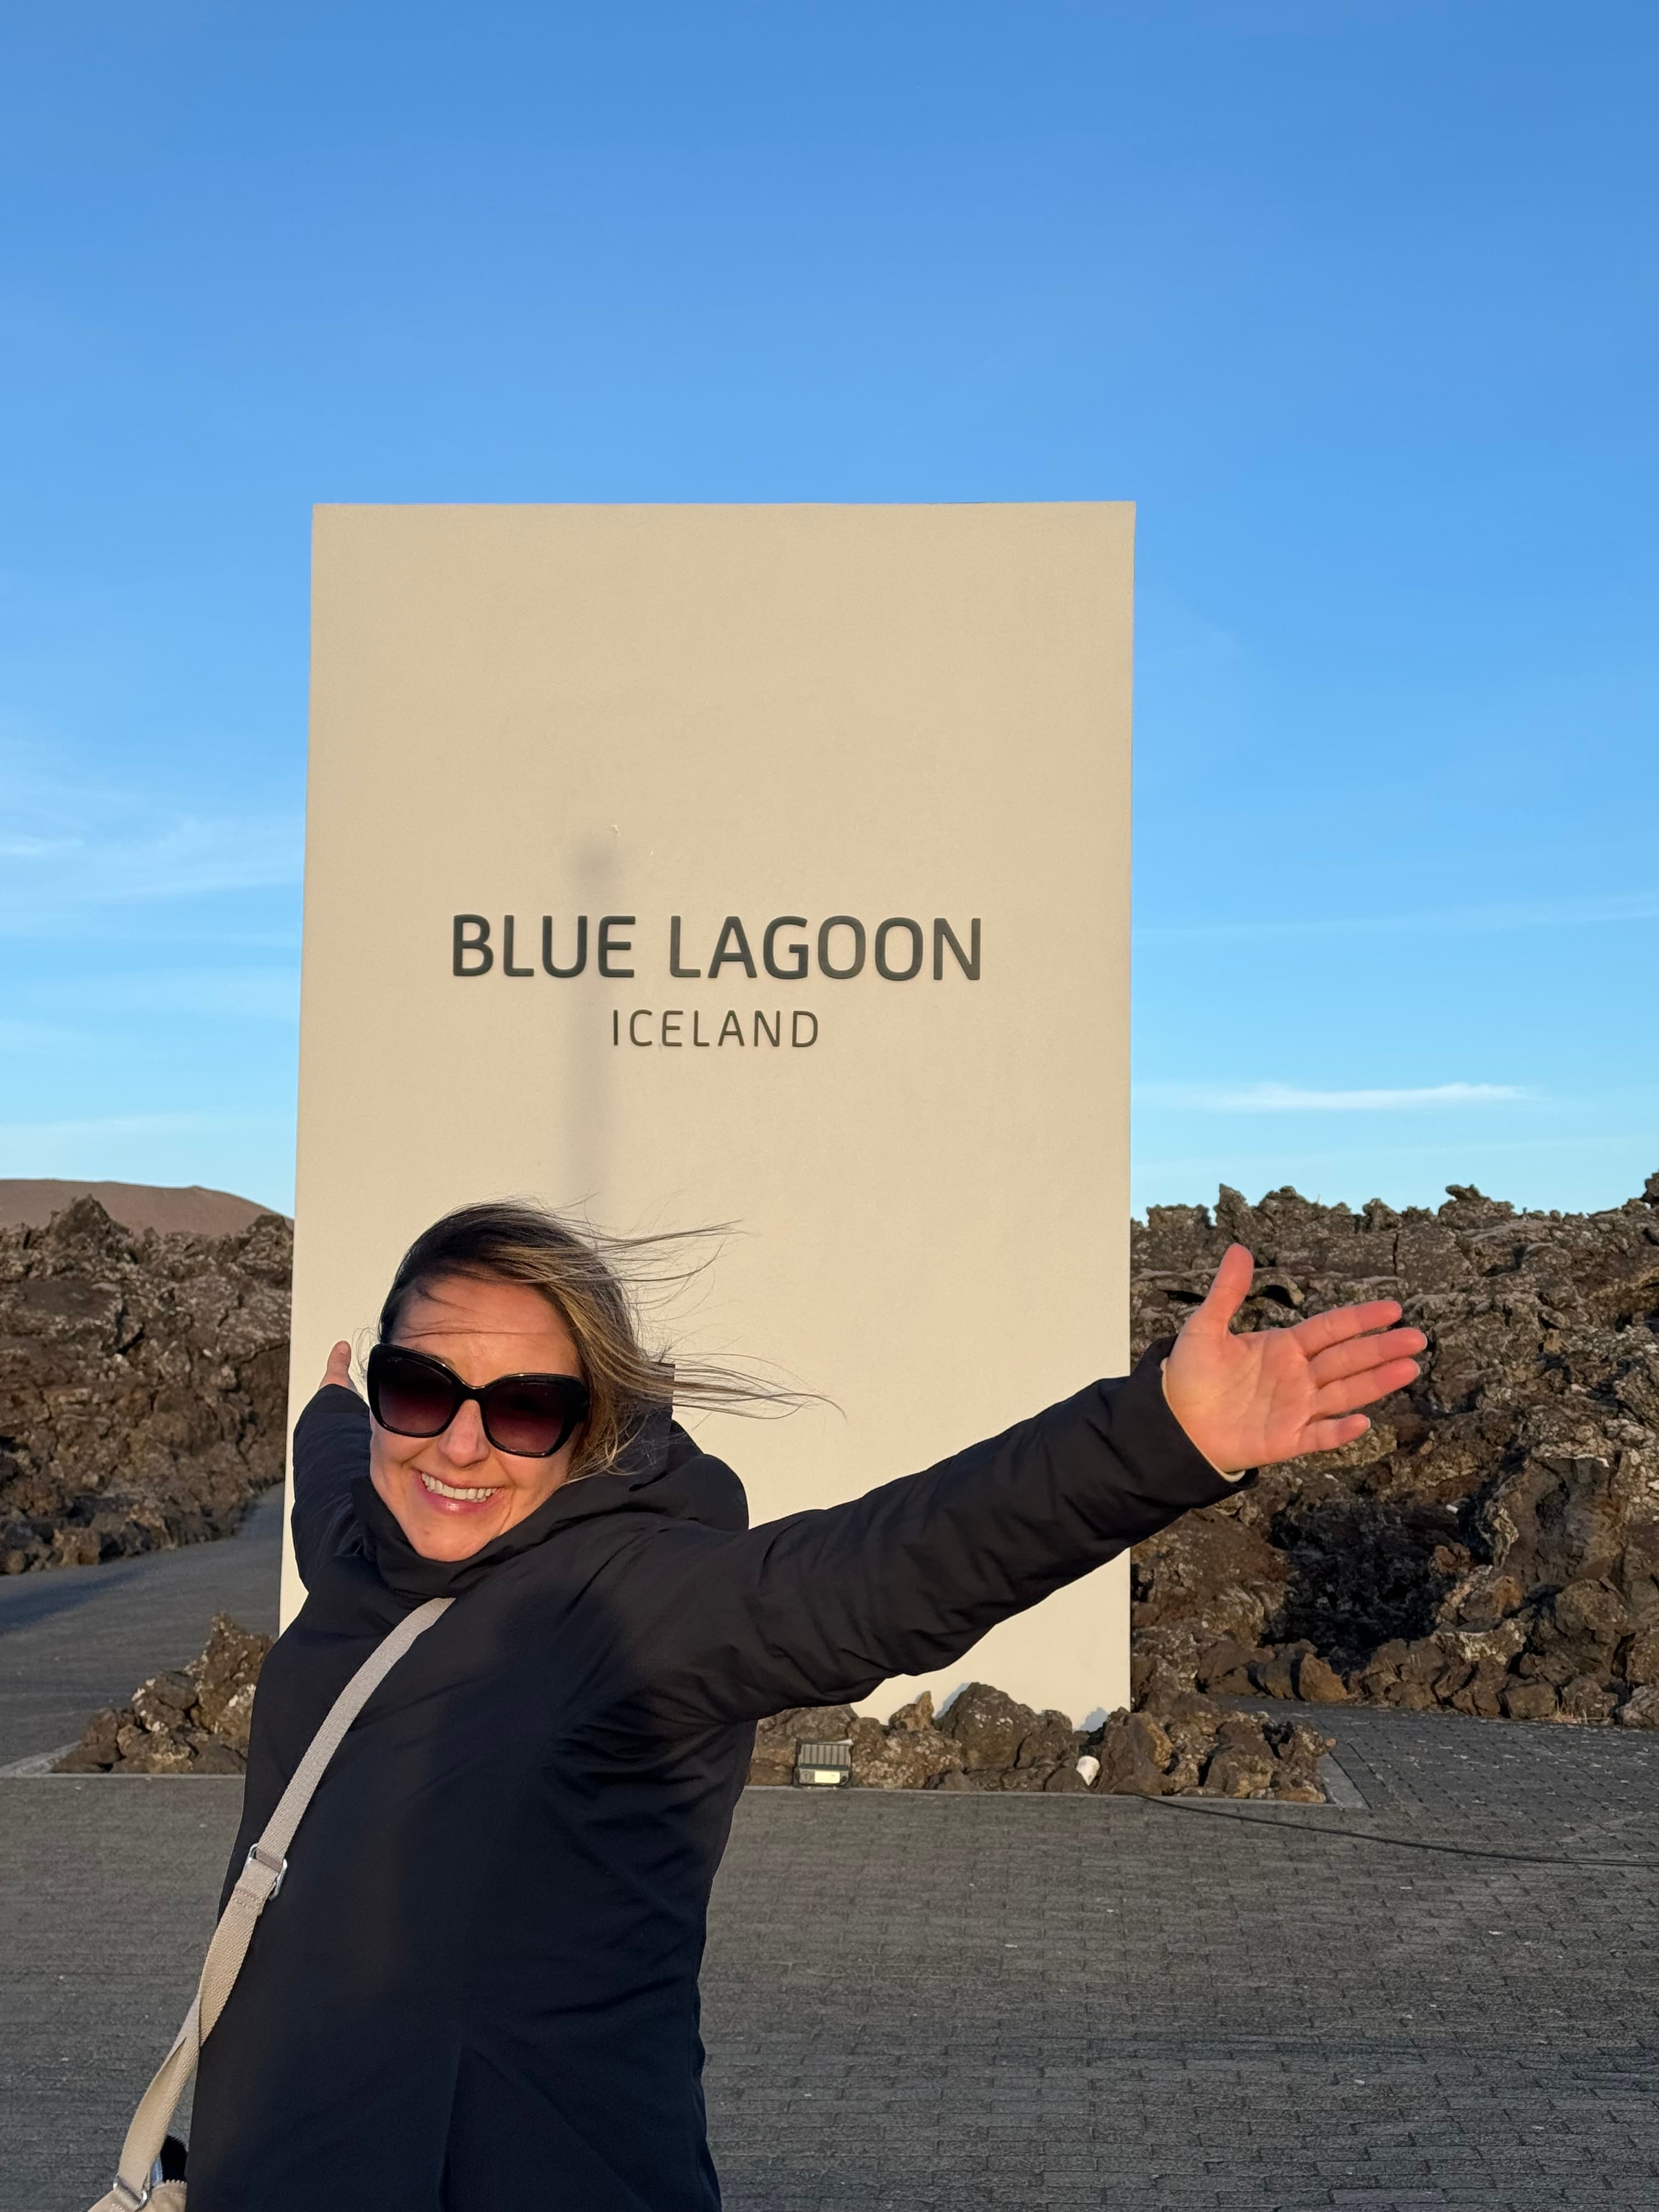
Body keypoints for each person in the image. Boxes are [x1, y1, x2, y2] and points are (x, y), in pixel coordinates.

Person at [189, 1199, 1424, 2211]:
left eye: (522, 1409)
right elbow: (342, 1486)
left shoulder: (626, 1609)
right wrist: (336, 1413)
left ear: (590, 1429)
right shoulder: (369, 1537)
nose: (459, 1447)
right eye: (420, 1388)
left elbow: (875, 1582)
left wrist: (1156, 1436)